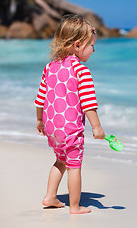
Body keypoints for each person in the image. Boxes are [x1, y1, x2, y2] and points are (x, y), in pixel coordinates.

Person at [34, 14, 105, 214]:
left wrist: (39, 120)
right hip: (70, 128)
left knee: (60, 161)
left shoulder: (50, 67)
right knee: (74, 165)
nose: (93, 50)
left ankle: (50, 197)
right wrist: (97, 127)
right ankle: (75, 206)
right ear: (77, 45)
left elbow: (40, 98)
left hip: (52, 127)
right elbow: (88, 103)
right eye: (92, 46)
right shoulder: (81, 70)